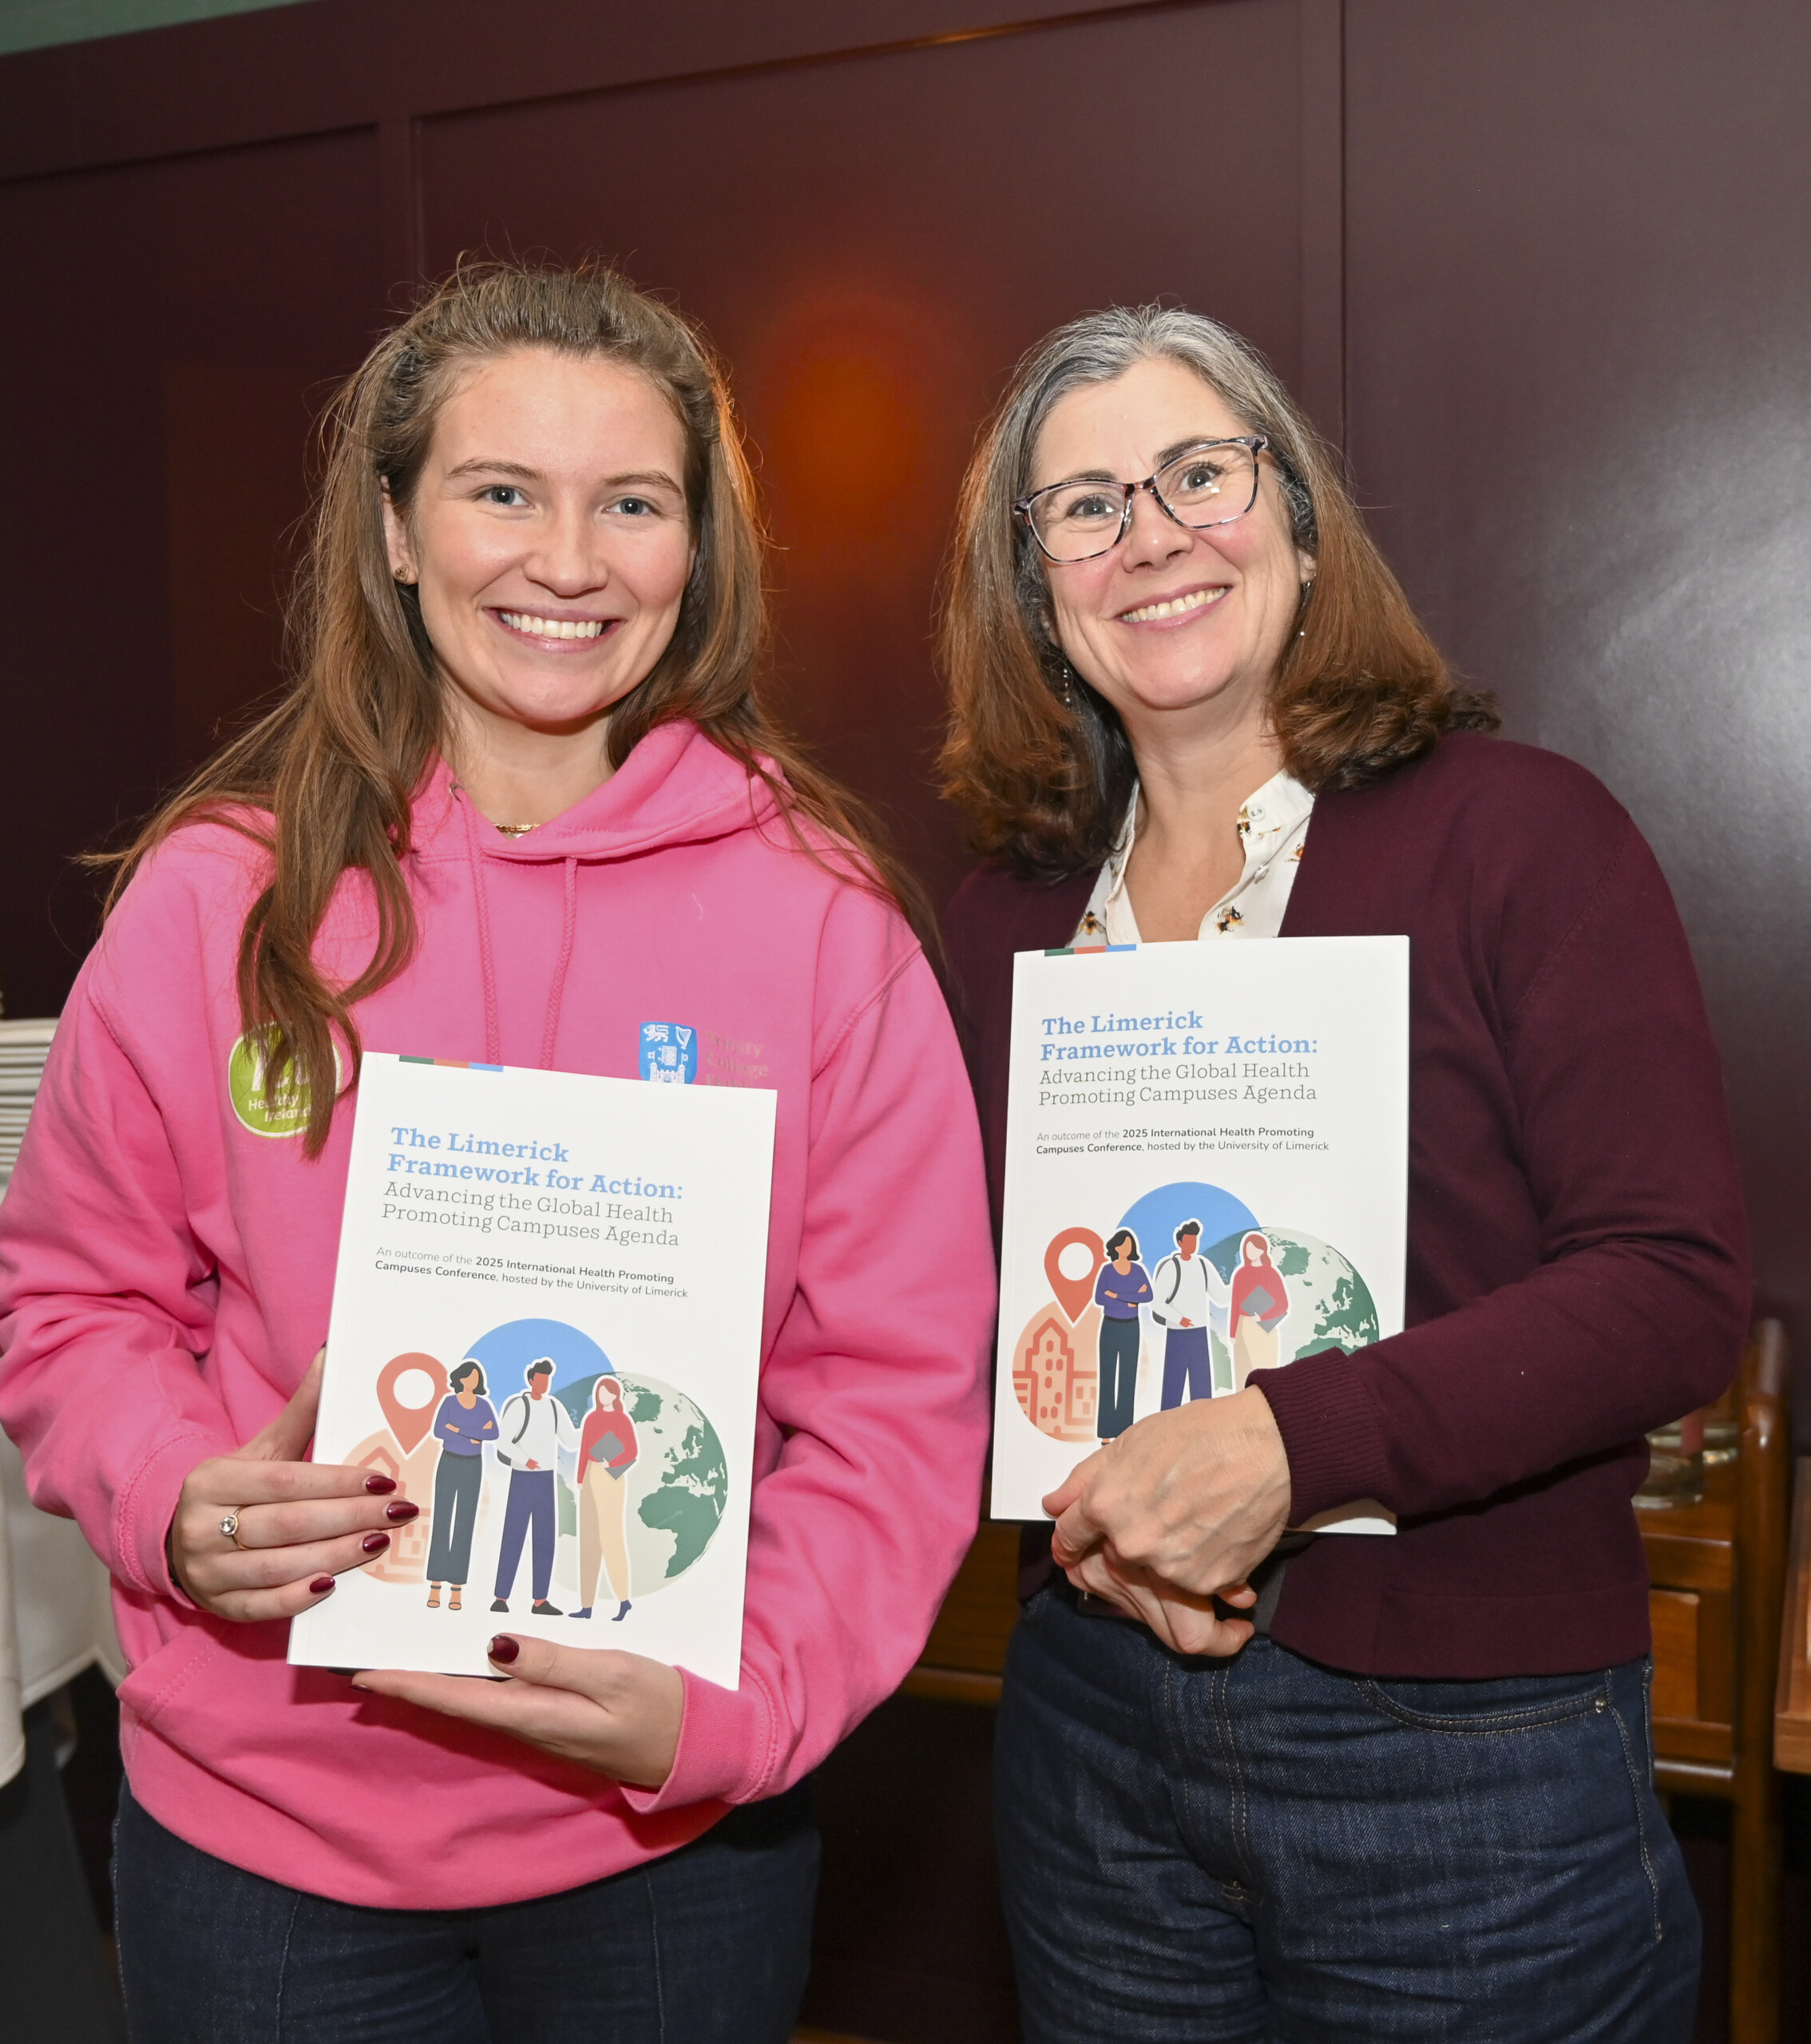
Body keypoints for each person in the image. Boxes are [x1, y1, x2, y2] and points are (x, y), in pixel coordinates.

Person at [0, 261, 995, 2043]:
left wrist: (740, 1702)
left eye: (634, 503)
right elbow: (71, 1302)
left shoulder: (824, 924)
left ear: (697, 550)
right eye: (502, 492)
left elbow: (897, 1402)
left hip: (665, 1850)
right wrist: (168, 1493)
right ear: (394, 529)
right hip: (264, 1845)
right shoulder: (219, 900)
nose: (569, 559)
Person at [939, 303, 1748, 2041]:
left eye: (1198, 473)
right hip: (1090, 1723)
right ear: (1034, 588)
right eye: (1083, 505)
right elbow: (976, 1304)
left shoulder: (1520, 834)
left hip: (1464, 1752)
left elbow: (1671, 1283)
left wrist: (1290, 1442)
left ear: (1298, 525)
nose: (1149, 534)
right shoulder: (1006, 915)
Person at [492, 1357, 578, 1615]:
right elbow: (503, 1441)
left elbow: (571, 1440)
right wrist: (525, 1459)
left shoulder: (554, 1406)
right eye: (540, 1379)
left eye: (547, 1380)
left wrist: (595, 1428)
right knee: (513, 1536)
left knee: (545, 1539)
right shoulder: (520, 1405)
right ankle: (501, 1598)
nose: (544, 1383)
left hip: (546, 1479)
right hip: (522, 1477)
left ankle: (540, 1601)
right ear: (531, 1380)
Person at [426, 1357, 497, 1608]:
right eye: (469, 1376)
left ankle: (456, 1587)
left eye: (476, 1377)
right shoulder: (449, 1402)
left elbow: (493, 1433)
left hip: (473, 1465)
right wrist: (474, 1433)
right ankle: (435, 1585)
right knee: (442, 1519)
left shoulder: (484, 1405)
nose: (473, 1380)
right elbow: (439, 1430)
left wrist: (458, 1430)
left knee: (465, 1523)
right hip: (449, 1462)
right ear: (461, 1378)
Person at [573, 1377, 638, 1622]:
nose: (603, 1396)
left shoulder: (622, 1419)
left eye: (607, 1392)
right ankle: (586, 1606)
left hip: (611, 1477)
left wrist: (611, 1462)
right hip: (591, 1473)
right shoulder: (591, 1418)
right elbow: (584, 1448)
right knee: (589, 1540)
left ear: (615, 1395)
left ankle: (623, 1600)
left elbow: (632, 1450)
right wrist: (580, 1478)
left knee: (611, 1539)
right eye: (600, 1392)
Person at [1148, 1219, 1228, 1407]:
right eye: (1189, 1240)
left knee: (1202, 1391)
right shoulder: (1171, 1267)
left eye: (1195, 1240)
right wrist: (1179, 1319)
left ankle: (1203, 1424)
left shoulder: (1203, 1265)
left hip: (1199, 1333)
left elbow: (1221, 1297)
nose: (1193, 1244)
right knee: (1173, 1389)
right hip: (1177, 1334)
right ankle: (1167, 1425)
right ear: (1180, 1242)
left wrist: (1242, 1287)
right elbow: (1157, 1302)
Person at [1091, 1228, 1150, 1439]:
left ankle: (1124, 1433)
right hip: (1110, 1326)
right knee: (1107, 1378)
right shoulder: (1107, 1270)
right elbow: (1100, 1298)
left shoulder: (1138, 1270)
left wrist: (1116, 1295)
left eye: (1130, 1244)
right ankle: (1106, 1433)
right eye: (1124, 1244)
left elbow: (1148, 1295)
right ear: (1116, 1247)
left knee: (1128, 1378)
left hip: (1131, 1327)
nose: (1127, 1247)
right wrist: (1131, 1298)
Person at [1227, 1230, 1289, 1386]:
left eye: (1254, 1248)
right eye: (1247, 1248)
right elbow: (1235, 1304)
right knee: (1243, 1373)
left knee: (1265, 1373)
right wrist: (1232, 1333)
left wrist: (1262, 1317)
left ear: (1262, 1251)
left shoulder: (1271, 1273)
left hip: (1265, 1329)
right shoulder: (1240, 1274)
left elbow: (1283, 1304)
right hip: (1243, 1326)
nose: (1250, 1252)